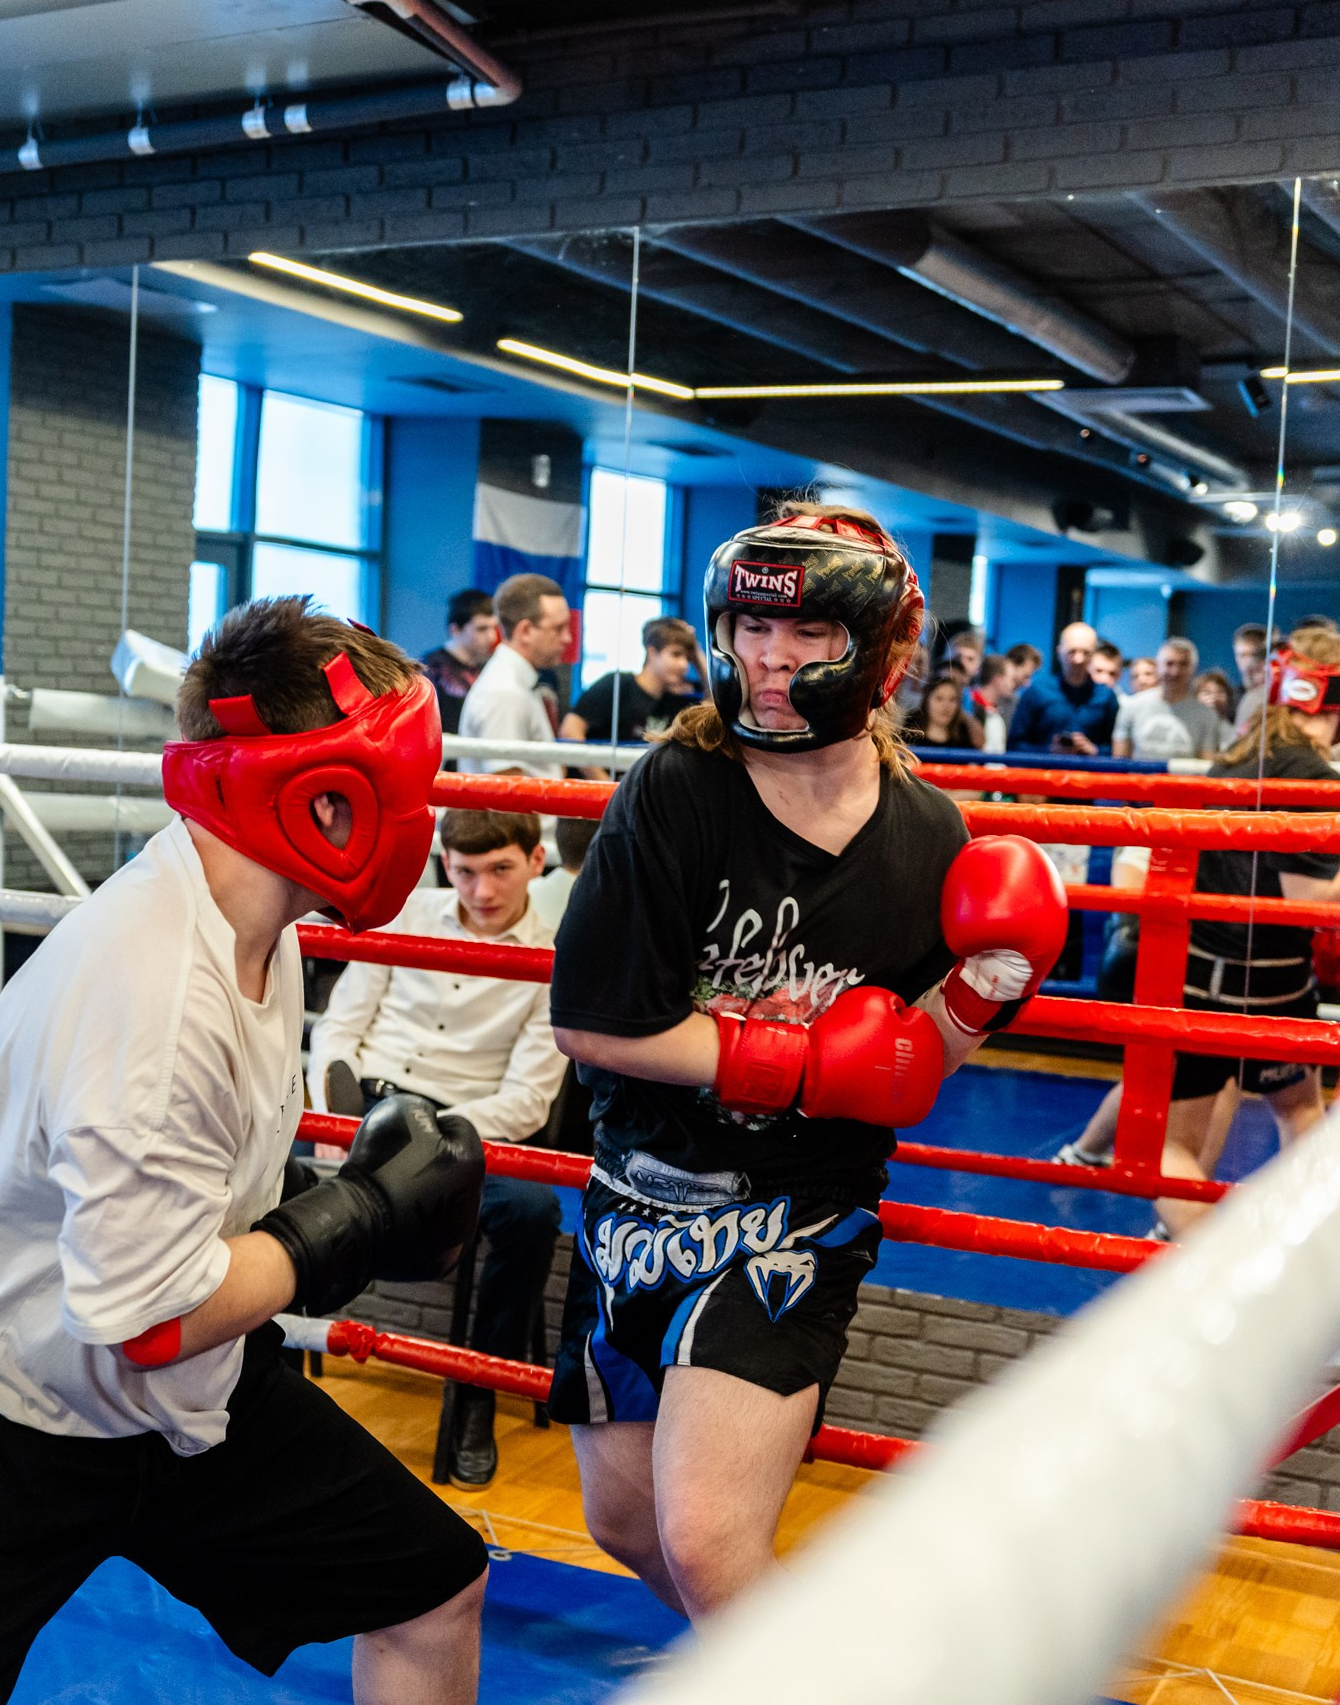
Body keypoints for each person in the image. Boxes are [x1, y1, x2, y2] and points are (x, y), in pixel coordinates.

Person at [0, 600, 490, 1704]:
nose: (416, 811)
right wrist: (358, 1217)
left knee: (431, 1587)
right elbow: (149, 1317)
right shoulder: (154, 997)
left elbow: (190, 1206)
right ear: (320, 791)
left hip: (180, 1411)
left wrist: (318, 1199)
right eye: (394, 782)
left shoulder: (260, 923)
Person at [545, 501, 1068, 1623]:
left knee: (707, 1539)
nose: (771, 660)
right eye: (748, 629)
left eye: (809, 638)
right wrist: (790, 1064)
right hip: (632, 1194)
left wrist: (982, 992)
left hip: (793, 1215)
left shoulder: (930, 838)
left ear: (874, 654)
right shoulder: (676, 791)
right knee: (627, 1526)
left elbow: (910, 1069)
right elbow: (590, 1022)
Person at [312, 808, 565, 1490]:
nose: (481, 890)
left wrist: (425, 1143)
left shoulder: (554, 955)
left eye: (500, 869)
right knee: (264, 1166)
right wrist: (335, 1119)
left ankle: (480, 1389)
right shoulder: (403, 916)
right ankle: (264, 1363)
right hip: (366, 1104)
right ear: (443, 863)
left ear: (536, 860)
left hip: (463, 1130)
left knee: (534, 1211)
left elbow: (528, 1103)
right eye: (464, 871)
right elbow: (337, 1032)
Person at [1155, 629, 1340, 1239]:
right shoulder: (1315, 778)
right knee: (1301, 1112)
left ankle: (1197, 1256)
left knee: (1179, 1149)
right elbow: (1307, 902)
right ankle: (1250, 1266)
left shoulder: (1232, 757)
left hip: (1203, 972)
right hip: (1276, 982)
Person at [459, 573, 571, 782]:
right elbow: (507, 793)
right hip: (525, 814)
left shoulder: (513, 682)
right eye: (558, 628)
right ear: (525, 631)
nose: (567, 638)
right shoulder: (505, 692)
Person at [562, 615, 703, 766]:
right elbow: (570, 731)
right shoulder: (617, 684)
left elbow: (715, 705)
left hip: (636, 786)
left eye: (688, 658)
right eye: (676, 654)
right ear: (652, 652)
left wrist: (698, 653)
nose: (684, 665)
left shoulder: (674, 699)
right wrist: (605, 783)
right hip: (602, 785)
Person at [1007, 621, 1121, 756]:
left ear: (1093, 654)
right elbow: (1014, 745)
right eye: (1072, 652)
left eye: (1086, 652)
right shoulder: (1037, 692)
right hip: (1045, 774)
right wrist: (1049, 751)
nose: (1079, 659)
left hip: (1089, 775)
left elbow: (1120, 749)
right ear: (1059, 651)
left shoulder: (1106, 696)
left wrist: (1094, 750)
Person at [1113, 637, 1223, 761]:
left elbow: (1205, 767)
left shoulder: (1207, 716)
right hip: (1139, 779)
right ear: (1158, 666)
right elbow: (1119, 762)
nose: (1175, 672)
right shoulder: (1132, 706)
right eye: (1169, 663)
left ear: (1193, 668)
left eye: (1183, 664)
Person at [420, 589, 499, 735]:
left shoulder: (492, 667)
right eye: (482, 629)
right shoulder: (430, 669)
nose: (492, 637)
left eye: (494, 627)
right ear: (455, 630)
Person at [901, 668, 984, 751]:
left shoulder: (965, 739)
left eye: (952, 699)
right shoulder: (907, 736)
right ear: (926, 700)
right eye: (939, 699)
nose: (946, 706)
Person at [1230, 623, 1271, 737]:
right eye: (1243, 655)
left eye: (1254, 655)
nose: (1249, 662)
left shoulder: (1276, 696)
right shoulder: (1230, 698)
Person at [971, 653, 1017, 752]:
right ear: (998, 679)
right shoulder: (968, 705)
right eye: (1011, 679)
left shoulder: (997, 711)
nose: (1013, 684)